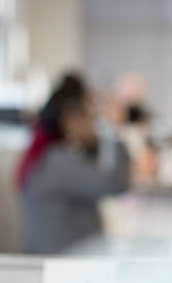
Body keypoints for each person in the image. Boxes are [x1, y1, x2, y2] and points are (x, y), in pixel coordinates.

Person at [17, 74, 129, 254]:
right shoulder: (57, 161)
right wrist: (113, 129)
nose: (93, 124)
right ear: (70, 119)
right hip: (61, 267)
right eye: (89, 116)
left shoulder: (48, 154)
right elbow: (115, 183)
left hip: (63, 264)